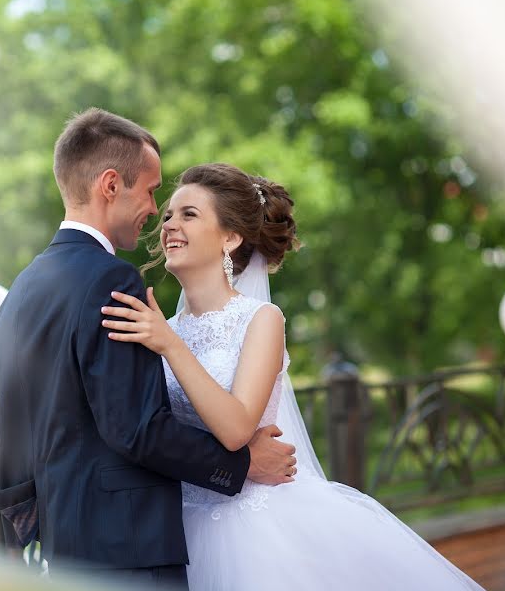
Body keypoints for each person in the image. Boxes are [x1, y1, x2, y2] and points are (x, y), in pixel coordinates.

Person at [101, 162, 484, 590]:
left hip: (251, 532)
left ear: (230, 237)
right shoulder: (167, 326)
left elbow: (235, 428)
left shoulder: (261, 319)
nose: (169, 224)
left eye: (189, 214)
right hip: (177, 527)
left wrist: (170, 346)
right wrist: (167, 338)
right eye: (169, 214)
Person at [0, 110, 296, 588]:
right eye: (154, 194)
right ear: (111, 185)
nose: (157, 214)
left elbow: (12, 422)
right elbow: (133, 429)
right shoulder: (113, 280)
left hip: (71, 543)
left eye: (182, 211)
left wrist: (19, 527)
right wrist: (242, 465)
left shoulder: (22, 289)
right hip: (130, 544)